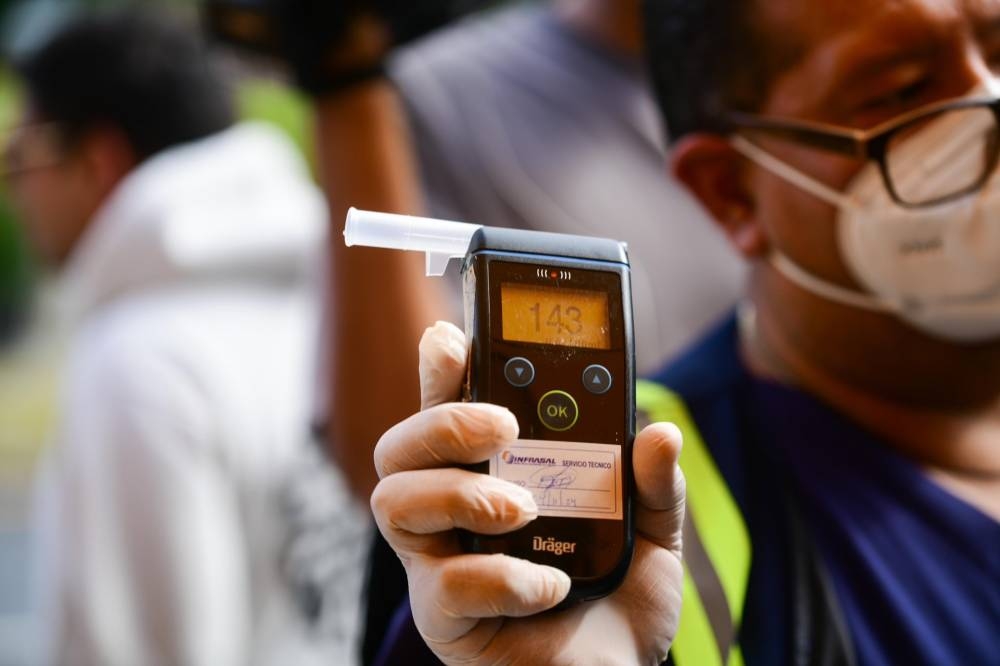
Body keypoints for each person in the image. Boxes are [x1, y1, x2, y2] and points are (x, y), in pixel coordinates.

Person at [368, 0, 1000, 663]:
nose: (984, 111)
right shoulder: (604, 507)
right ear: (729, 191)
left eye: (997, 51)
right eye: (903, 90)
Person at [14, 10, 368, 665]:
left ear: (96, 160)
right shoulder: (324, 304)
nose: (17, 194)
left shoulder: (137, 365)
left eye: (20, 157)